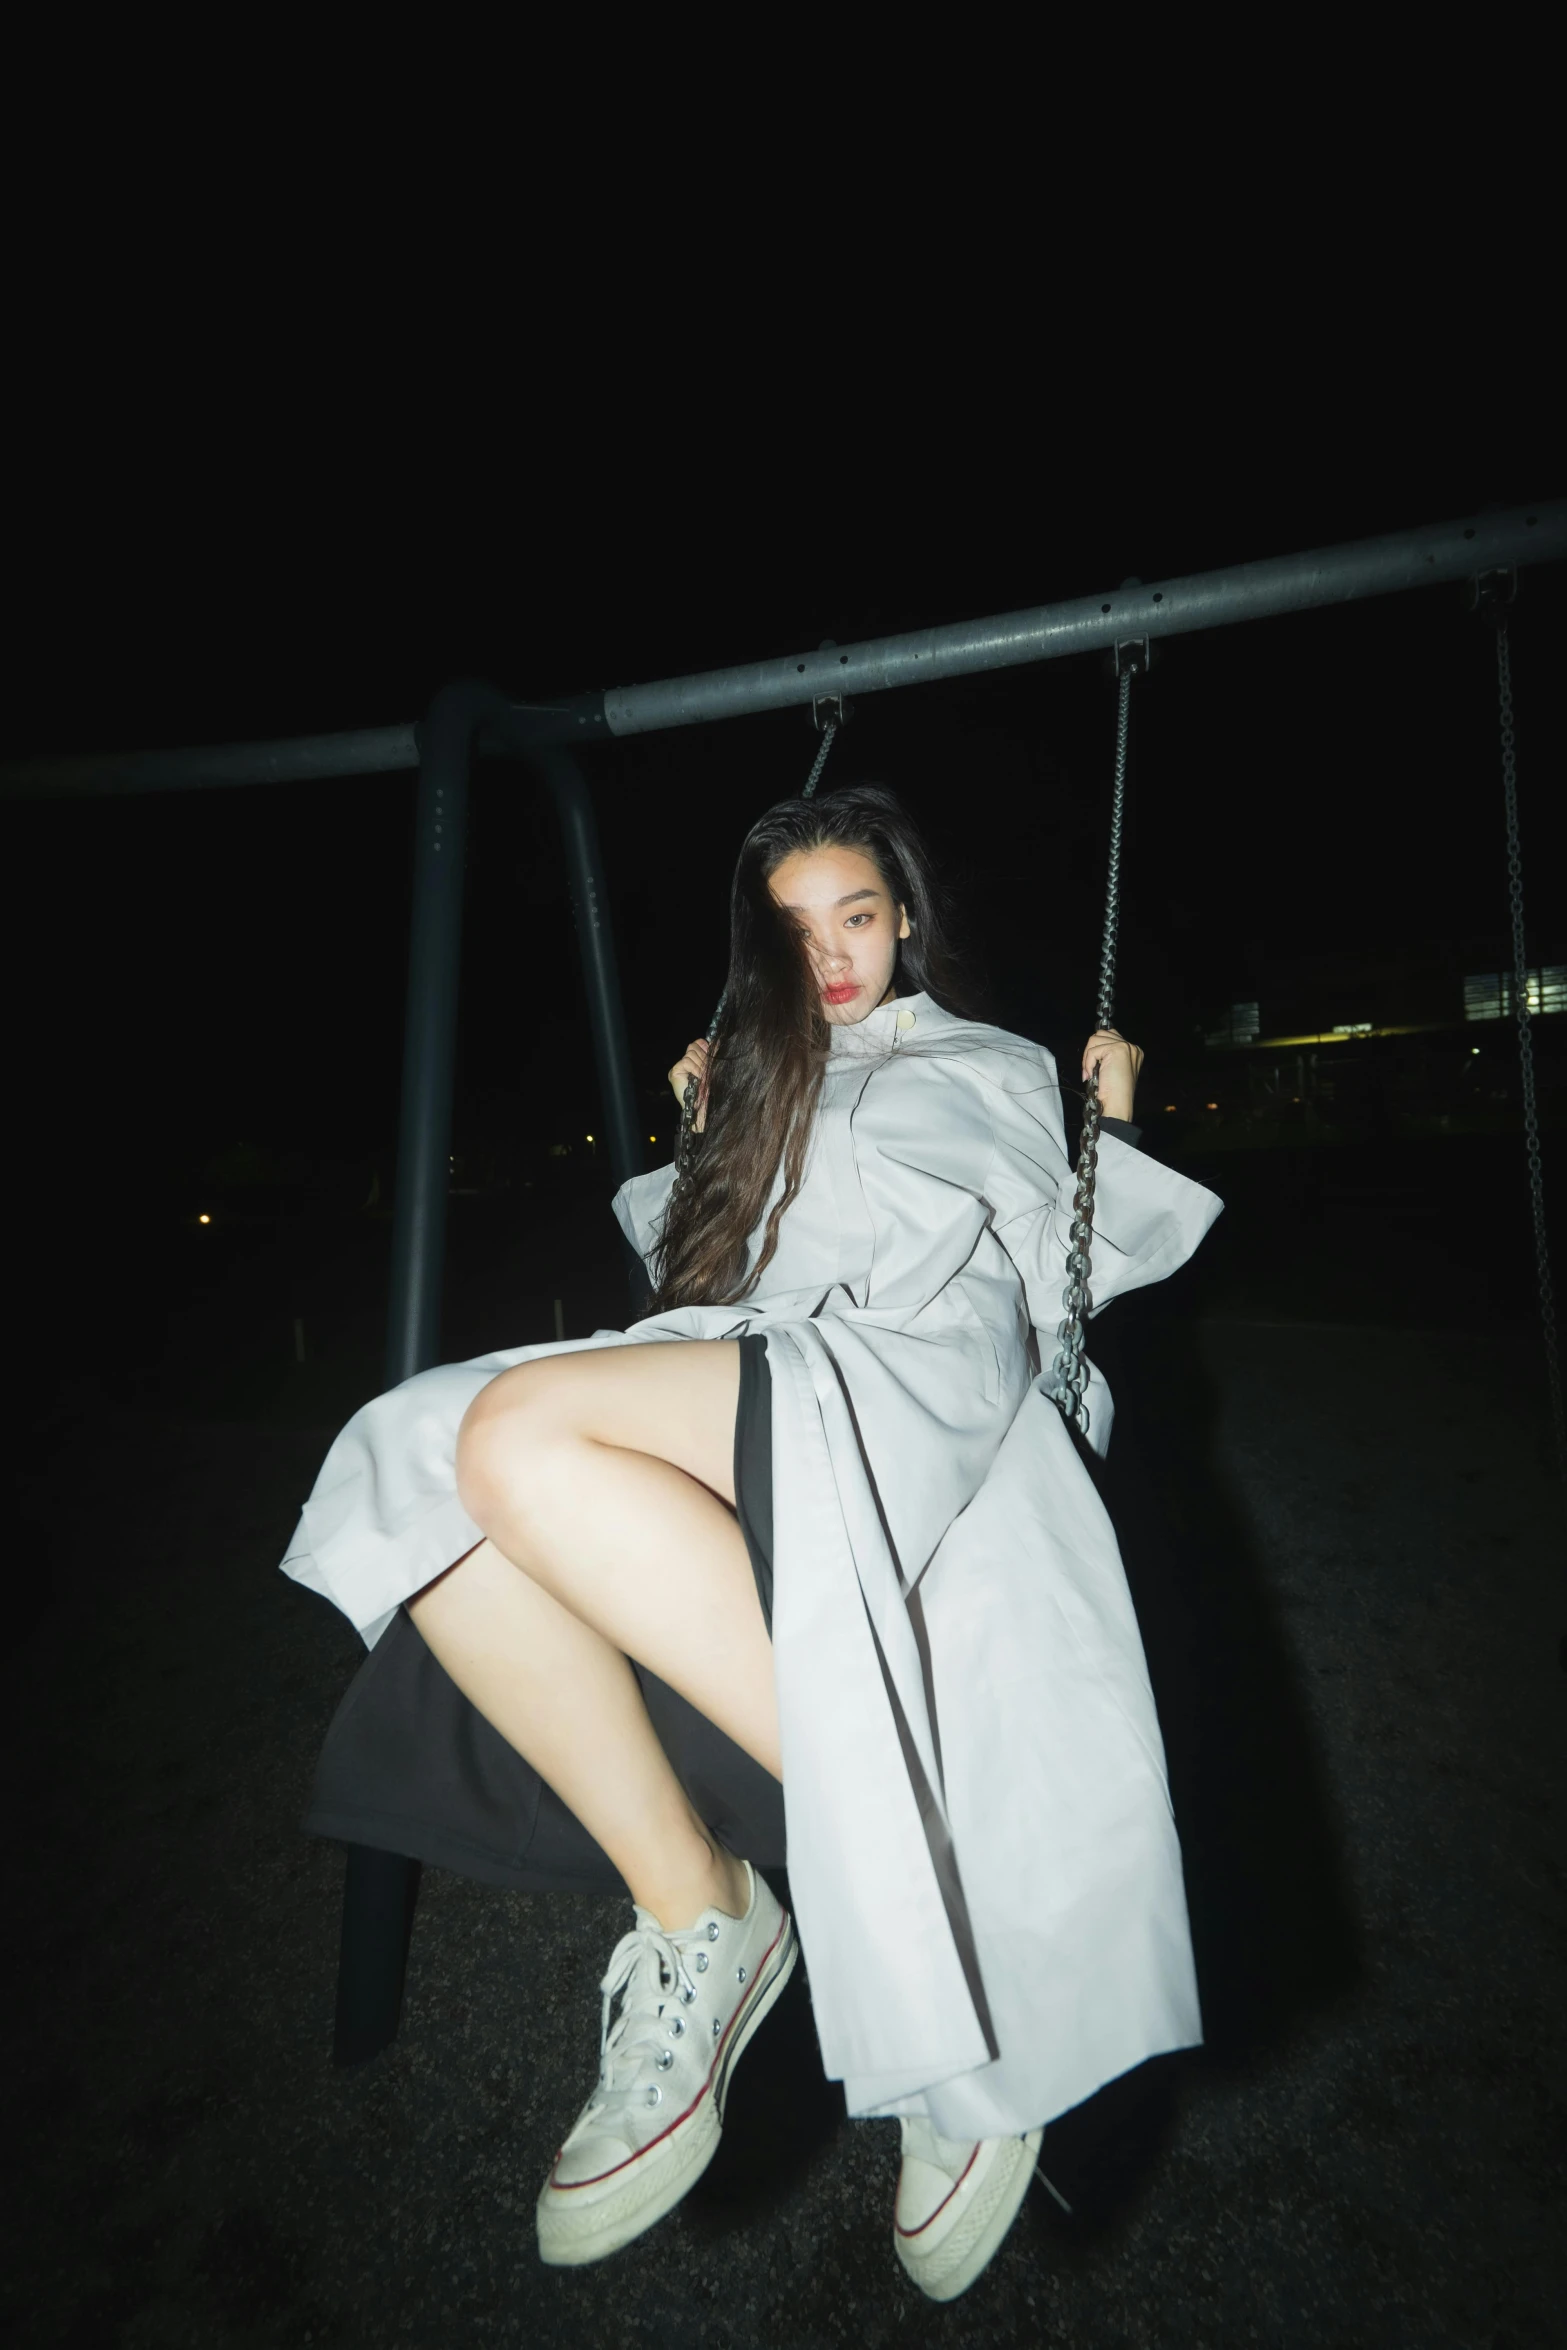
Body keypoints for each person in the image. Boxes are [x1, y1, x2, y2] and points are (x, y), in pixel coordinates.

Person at [282, 783, 1223, 2303]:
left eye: (856, 916)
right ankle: (724, 1909)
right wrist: (701, 1126)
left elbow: (1064, 1283)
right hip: (751, 1350)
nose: (833, 955)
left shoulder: (987, 1061)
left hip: (906, 1377)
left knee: (512, 1435)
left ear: (904, 918)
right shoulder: (758, 1072)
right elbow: (697, 1276)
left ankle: (822, 1928)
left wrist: (1109, 1129)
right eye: (795, 933)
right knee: (406, 1454)